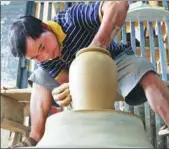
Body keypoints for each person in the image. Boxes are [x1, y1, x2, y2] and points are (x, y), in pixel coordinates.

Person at [9, 1, 169, 147]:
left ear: (46, 27)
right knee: (39, 76)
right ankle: (34, 138)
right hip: (80, 78)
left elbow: (119, 5)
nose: (44, 56)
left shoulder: (72, 19)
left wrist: (96, 47)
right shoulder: (43, 60)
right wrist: (67, 88)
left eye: (42, 47)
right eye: (35, 56)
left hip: (114, 63)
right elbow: (64, 78)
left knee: (146, 73)